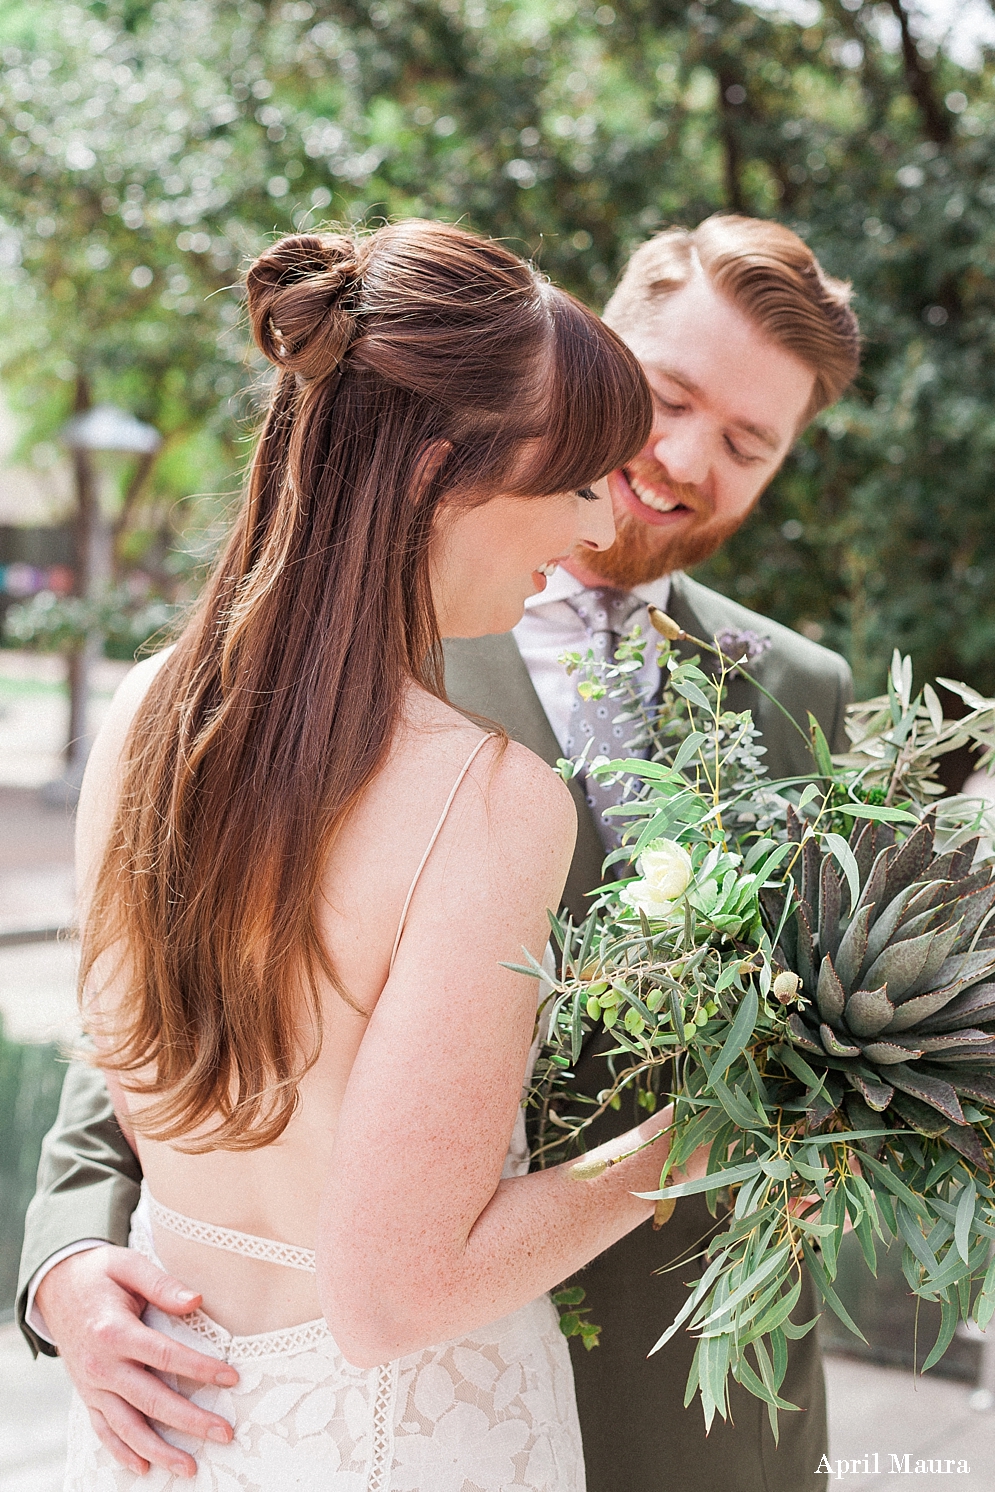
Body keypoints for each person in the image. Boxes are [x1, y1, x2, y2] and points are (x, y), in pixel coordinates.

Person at [18, 215, 859, 1492]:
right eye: (666, 398)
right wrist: (68, 1254)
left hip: (693, 1407)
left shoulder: (805, 690)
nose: (680, 458)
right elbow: (173, 996)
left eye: (747, 443)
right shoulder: (348, 665)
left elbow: (814, 1014)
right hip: (393, 1380)